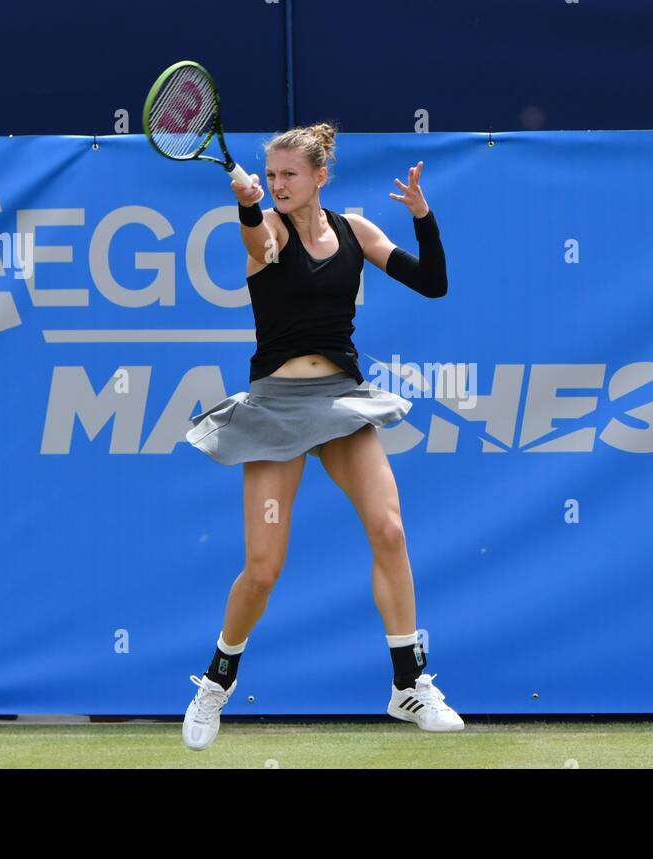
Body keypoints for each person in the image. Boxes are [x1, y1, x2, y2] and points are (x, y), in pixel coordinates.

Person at [181, 121, 464, 750]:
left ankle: (408, 682)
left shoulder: (356, 232)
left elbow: (433, 282)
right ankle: (215, 684)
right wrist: (248, 203)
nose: (278, 184)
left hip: (340, 401)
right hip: (275, 408)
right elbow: (259, 244)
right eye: (272, 175)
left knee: (389, 529)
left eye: (289, 175)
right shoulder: (268, 226)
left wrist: (423, 216)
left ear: (319, 178)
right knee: (263, 567)